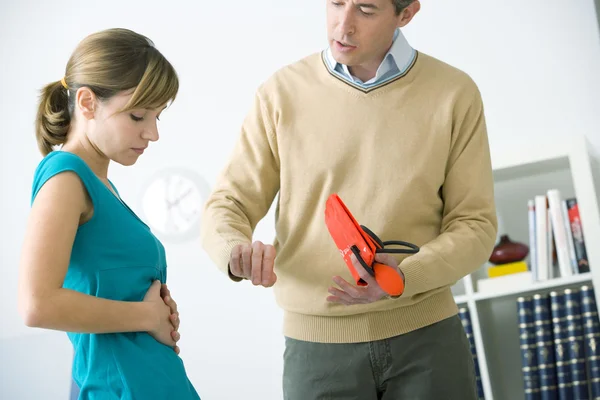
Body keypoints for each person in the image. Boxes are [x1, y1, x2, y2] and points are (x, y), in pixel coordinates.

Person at [201, 0, 497, 399]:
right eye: (336, 3)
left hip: (427, 341)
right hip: (317, 352)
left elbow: (475, 225)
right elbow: (229, 203)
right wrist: (233, 250)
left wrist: (405, 278)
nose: (344, 24)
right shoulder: (280, 94)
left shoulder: (454, 93)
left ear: (406, 13)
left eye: (367, 10)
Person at [17, 28, 200, 399]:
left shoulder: (103, 187)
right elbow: (37, 305)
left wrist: (158, 310)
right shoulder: (67, 178)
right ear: (87, 103)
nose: (152, 133)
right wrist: (148, 317)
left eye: (157, 117)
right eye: (137, 116)